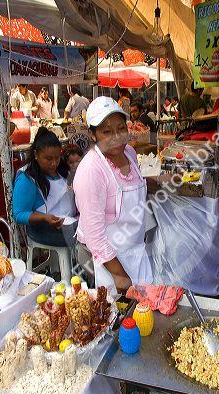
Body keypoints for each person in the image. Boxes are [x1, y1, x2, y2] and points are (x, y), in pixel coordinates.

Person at [74, 96, 153, 294]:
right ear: (93, 134)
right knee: (119, 317)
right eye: (106, 132)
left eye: (121, 128)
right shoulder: (91, 170)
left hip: (136, 250)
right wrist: (120, 276)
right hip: (110, 260)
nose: (116, 137)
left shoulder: (130, 154)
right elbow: (95, 237)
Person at [13, 127, 78, 247]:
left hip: (69, 221)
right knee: (86, 234)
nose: (54, 163)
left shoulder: (62, 170)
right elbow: (18, 214)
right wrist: (44, 218)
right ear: (36, 155)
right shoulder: (26, 178)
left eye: (57, 157)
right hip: (42, 229)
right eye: (48, 159)